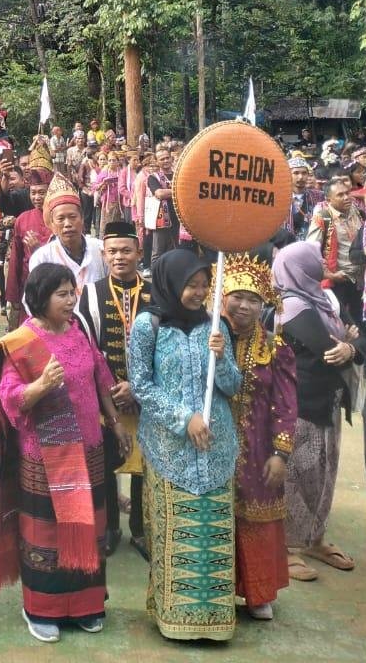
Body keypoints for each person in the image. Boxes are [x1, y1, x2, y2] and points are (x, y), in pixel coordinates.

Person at [0, 262, 126, 643]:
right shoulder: (20, 341)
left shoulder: (78, 332)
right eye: (62, 293)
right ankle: (41, 608)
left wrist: (115, 423)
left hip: (89, 450)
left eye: (72, 292)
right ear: (40, 297)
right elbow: (10, 397)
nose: (70, 300)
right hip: (46, 456)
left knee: (88, 529)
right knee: (46, 535)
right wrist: (41, 386)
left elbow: (99, 375)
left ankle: (85, 604)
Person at [128, 248, 241, 641]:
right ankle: (174, 619)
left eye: (204, 286)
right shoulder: (148, 325)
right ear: (171, 283)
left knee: (212, 536)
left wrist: (223, 356)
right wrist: (184, 418)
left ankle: (215, 623)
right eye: (190, 285)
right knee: (174, 533)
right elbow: (141, 385)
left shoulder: (216, 325)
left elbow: (231, 386)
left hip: (215, 449)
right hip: (170, 450)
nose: (197, 292)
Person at [273, 242, 362, 580]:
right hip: (301, 403)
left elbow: (359, 342)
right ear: (301, 266)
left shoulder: (325, 300)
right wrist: (348, 344)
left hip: (328, 401)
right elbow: (328, 351)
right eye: (316, 259)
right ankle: (286, 547)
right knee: (296, 475)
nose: (322, 263)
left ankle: (314, 539)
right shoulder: (292, 306)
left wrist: (351, 346)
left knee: (325, 474)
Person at [221, 253, 298, 620]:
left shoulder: (275, 347)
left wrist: (281, 454)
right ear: (224, 295)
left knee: (256, 517)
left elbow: (286, 402)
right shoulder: (207, 338)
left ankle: (258, 592)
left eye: (253, 299)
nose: (244, 305)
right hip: (215, 446)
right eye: (238, 296)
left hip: (258, 449)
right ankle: (217, 591)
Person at [76, 220, 151, 557]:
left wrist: (138, 387)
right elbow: (85, 348)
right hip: (105, 399)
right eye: (112, 252)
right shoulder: (91, 293)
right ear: (104, 255)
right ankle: (109, 527)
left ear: (139, 253)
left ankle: (140, 528)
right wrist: (110, 389)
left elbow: (164, 350)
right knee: (105, 462)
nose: (119, 257)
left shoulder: (155, 294)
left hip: (147, 397)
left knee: (144, 467)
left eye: (126, 251)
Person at [28, 178, 105, 293]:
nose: (68, 224)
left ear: (82, 218)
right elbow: (35, 301)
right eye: (61, 219)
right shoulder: (41, 258)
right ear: (52, 224)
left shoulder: (101, 249)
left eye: (73, 217)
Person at [309, 174, 364, 330]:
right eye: (340, 195)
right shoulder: (323, 217)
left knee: (362, 323)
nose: (346, 197)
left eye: (347, 193)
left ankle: (364, 353)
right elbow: (311, 252)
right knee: (341, 325)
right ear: (329, 200)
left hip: (360, 280)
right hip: (337, 281)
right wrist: (329, 275)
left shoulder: (358, 212)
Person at [5, 169, 51, 330]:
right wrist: (13, 295)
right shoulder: (23, 219)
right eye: (33, 193)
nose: (37, 198)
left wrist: (38, 249)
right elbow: (16, 259)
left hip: (53, 286)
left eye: (42, 193)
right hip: (28, 286)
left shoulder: (58, 218)